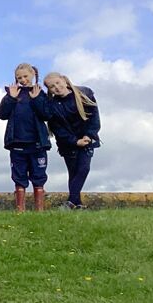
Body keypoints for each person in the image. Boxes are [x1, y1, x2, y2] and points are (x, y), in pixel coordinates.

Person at [0, 63, 52, 212]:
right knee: (19, 176)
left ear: (32, 74)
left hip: (37, 143)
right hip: (17, 142)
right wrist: (11, 98)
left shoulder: (39, 93)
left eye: (25, 76)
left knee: (38, 175)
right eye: (19, 77)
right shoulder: (13, 93)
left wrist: (36, 99)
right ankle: (20, 209)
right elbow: (1, 114)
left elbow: (47, 114)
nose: (23, 80)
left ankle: (39, 210)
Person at [43, 72, 100, 209]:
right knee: (74, 173)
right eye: (52, 86)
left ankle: (70, 202)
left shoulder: (84, 94)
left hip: (86, 140)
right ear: (49, 90)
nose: (56, 87)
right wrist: (75, 141)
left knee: (83, 169)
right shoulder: (52, 106)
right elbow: (58, 129)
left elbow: (94, 117)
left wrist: (89, 135)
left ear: (64, 80)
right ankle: (78, 204)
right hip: (68, 144)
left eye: (57, 83)